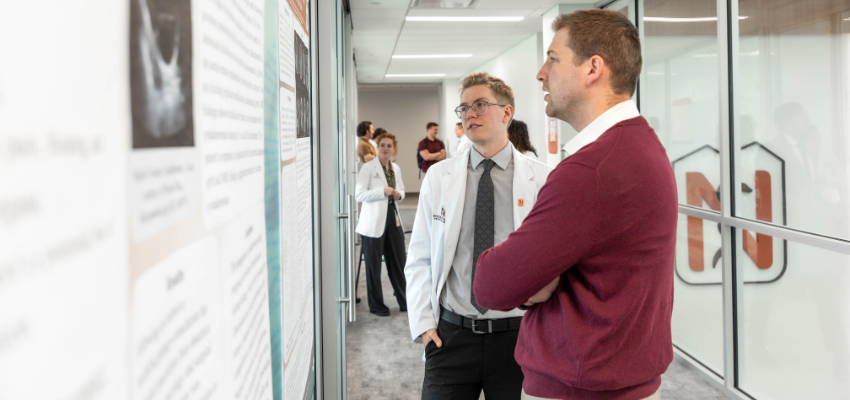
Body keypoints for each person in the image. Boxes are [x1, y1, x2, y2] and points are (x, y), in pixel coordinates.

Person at [472, 10, 677, 400]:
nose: (540, 73)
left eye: (553, 58)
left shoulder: (591, 170)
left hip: (581, 388)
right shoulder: (641, 144)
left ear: (593, 68)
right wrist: (543, 274)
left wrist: (537, 276)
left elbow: (491, 285)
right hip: (616, 378)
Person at [406, 72, 553, 400]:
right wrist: (425, 325)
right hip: (452, 337)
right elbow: (420, 256)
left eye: (480, 105)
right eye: (463, 108)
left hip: (519, 337)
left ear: (507, 113)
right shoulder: (439, 176)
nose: (470, 114)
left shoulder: (543, 179)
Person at [355, 132, 407, 317]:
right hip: (372, 223)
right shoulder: (368, 168)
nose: (385, 148)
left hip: (393, 217)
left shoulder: (396, 168)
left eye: (389, 145)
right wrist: (382, 191)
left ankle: (404, 300)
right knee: (373, 266)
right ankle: (377, 305)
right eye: (382, 145)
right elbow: (359, 194)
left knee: (400, 261)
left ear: (394, 149)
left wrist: (399, 194)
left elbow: (401, 189)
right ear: (377, 148)